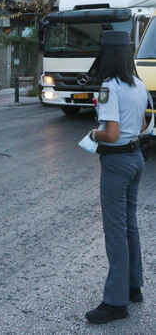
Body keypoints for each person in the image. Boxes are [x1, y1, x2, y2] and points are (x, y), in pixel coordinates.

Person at [85, 30, 148, 324]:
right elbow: (144, 123)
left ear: (107, 54)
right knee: (130, 225)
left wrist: (93, 132)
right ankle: (134, 287)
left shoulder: (110, 86)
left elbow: (110, 133)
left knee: (115, 232)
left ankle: (115, 301)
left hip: (117, 162)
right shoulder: (138, 83)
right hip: (136, 159)